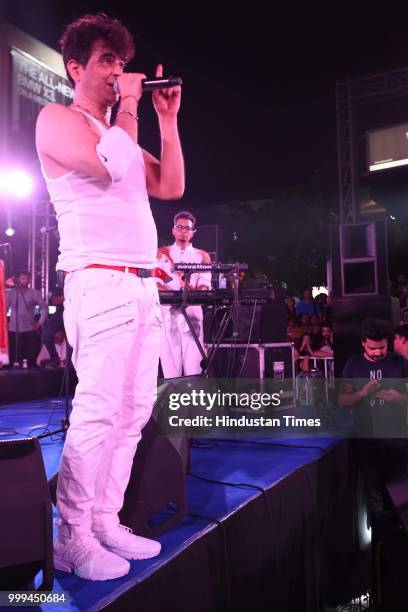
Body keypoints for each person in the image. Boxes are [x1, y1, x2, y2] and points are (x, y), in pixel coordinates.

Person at [35, 13, 184, 580]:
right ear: (75, 67)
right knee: (98, 411)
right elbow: (104, 170)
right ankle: (70, 534)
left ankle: (103, 519)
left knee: (133, 411)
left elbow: (170, 186)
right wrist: (129, 106)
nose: (119, 72)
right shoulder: (59, 120)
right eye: (107, 62)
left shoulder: (118, 130)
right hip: (99, 282)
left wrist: (165, 122)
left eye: (122, 63)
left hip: (142, 287)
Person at [339, 318, 408, 513]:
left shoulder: (399, 362)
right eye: (372, 348)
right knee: (375, 499)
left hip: (398, 441)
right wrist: (362, 393)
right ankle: (381, 540)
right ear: (363, 343)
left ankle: (399, 539)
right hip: (367, 442)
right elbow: (342, 400)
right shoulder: (353, 365)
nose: (378, 352)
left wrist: (401, 398)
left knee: (400, 497)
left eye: (382, 347)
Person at [157, 211, 211, 377]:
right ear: (173, 230)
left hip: (192, 315)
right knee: (171, 372)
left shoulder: (202, 256)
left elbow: (205, 283)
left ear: (193, 232)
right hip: (168, 315)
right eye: (179, 227)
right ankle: (173, 402)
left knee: (195, 370)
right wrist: (172, 294)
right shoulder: (161, 254)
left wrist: (194, 294)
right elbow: (156, 282)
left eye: (187, 228)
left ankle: (192, 403)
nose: (183, 231)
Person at [6, 270, 48, 367]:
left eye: (27, 278)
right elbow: (4, 309)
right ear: (18, 280)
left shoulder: (34, 293)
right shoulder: (10, 293)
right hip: (13, 328)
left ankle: (29, 377)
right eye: (23, 278)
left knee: (30, 358)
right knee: (13, 356)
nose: (25, 280)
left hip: (29, 328)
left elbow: (44, 308)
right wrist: (4, 324)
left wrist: (39, 323)